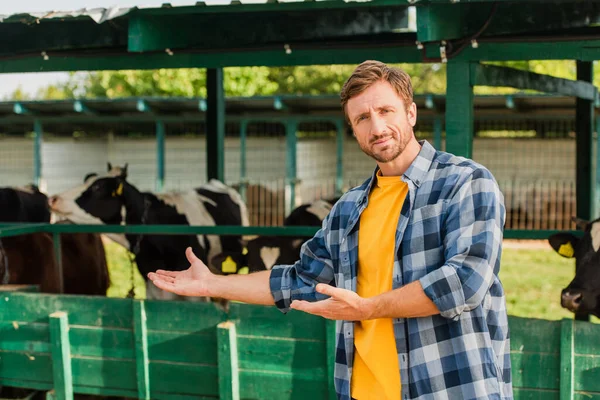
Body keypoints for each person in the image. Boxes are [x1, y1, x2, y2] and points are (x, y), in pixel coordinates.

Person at [148, 60, 512, 400]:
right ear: (353, 130)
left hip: (446, 388)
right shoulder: (349, 208)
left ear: (411, 112)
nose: (377, 127)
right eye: (362, 118)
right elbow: (299, 280)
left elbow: (464, 281)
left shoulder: (465, 182)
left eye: (386, 111)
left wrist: (368, 308)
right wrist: (214, 283)